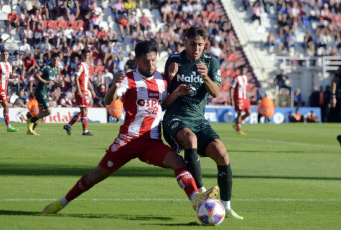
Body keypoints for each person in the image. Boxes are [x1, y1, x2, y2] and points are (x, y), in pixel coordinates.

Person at [41, 40, 218, 215]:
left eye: (153, 60)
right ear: (136, 60)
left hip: (152, 141)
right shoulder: (128, 79)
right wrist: (113, 87)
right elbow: (108, 101)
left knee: (178, 162)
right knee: (96, 176)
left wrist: (177, 93)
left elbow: (161, 105)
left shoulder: (161, 80)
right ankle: (62, 202)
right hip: (128, 140)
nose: (150, 64)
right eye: (145, 61)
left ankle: (196, 198)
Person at [162, 26, 243, 219]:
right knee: (190, 139)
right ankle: (201, 192)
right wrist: (171, 79)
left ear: (205, 44)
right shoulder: (174, 60)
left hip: (198, 119)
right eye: (192, 44)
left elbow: (215, 93)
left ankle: (227, 206)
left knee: (222, 154)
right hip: (176, 118)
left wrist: (205, 76)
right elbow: (163, 99)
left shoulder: (210, 62)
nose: (196, 48)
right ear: (185, 42)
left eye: (200, 45)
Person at [26, 53, 61, 135]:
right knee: (48, 111)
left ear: (59, 61)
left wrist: (58, 84)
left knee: (41, 113)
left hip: (45, 91)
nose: (55, 61)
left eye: (57, 59)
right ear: (51, 59)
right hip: (40, 91)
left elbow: (53, 81)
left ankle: (31, 130)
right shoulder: (46, 67)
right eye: (54, 59)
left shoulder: (56, 70)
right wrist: (45, 82)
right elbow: (36, 75)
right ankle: (31, 120)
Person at [63, 48, 96, 136]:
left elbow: (87, 79)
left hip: (85, 90)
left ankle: (69, 125)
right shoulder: (80, 64)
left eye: (88, 55)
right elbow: (76, 78)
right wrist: (78, 90)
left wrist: (92, 90)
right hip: (81, 90)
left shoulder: (86, 65)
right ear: (82, 55)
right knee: (84, 110)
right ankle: (84, 131)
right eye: (85, 55)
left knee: (84, 110)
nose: (86, 56)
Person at [0, 49, 20, 132]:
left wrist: (15, 76)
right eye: (3, 54)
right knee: (6, 105)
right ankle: (8, 126)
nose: (5, 56)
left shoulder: (9, 65)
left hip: (4, 88)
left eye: (6, 54)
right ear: (0, 56)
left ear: (8, 55)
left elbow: (9, 76)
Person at [230, 66, 251, 135]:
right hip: (238, 97)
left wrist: (247, 97)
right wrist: (231, 99)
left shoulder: (245, 77)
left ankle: (237, 123)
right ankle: (239, 129)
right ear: (240, 70)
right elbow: (231, 88)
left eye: (244, 70)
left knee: (248, 112)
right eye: (242, 69)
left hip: (244, 98)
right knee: (240, 113)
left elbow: (245, 88)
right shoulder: (236, 78)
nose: (243, 71)